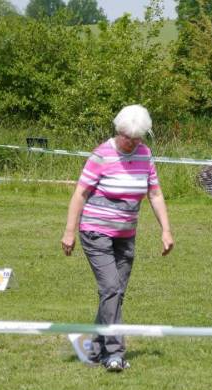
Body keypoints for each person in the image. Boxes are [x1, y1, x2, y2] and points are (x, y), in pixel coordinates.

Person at [61, 104, 174, 372]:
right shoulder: (101, 155)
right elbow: (80, 193)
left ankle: (96, 348)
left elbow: (155, 193)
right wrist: (69, 231)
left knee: (115, 294)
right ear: (118, 131)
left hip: (126, 235)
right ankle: (114, 353)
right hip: (95, 232)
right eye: (127, 137)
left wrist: (166, 230)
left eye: (137, 138)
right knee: (111, 288)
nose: (131, 143)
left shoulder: (145, 155)